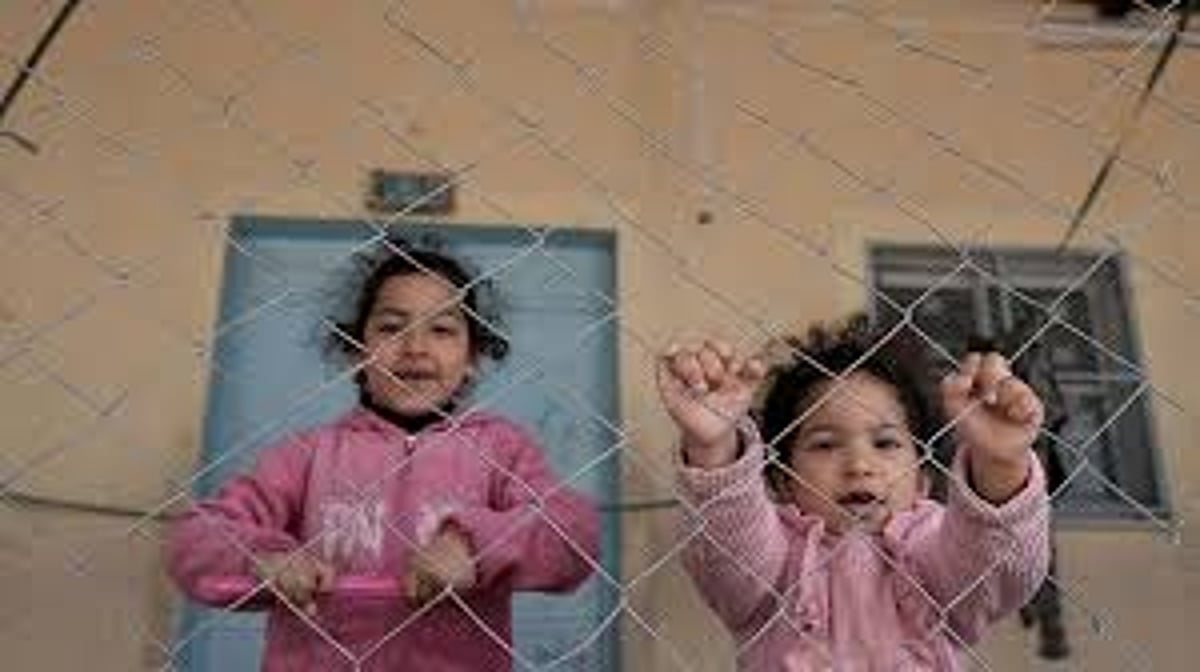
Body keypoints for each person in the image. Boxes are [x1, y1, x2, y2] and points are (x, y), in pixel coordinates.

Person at [168, 238, 600, 671]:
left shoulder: (500, 448)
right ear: (357, 351)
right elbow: (196, 538)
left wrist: (473, 547)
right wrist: (263, 558)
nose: (415, 346)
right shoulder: (308, 454)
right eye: (392, 327)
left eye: (442, 330)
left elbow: (574, 532)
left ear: (472, 358)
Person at [657, 315, 1050, 670]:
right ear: (783, 479)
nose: (859, 465)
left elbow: (996, 571)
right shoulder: (775, 554)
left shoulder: (933, 545)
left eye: (886, 443)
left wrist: (1000, 464)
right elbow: (727, 551)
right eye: (826, 445)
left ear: (922, 478)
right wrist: (713, 447)